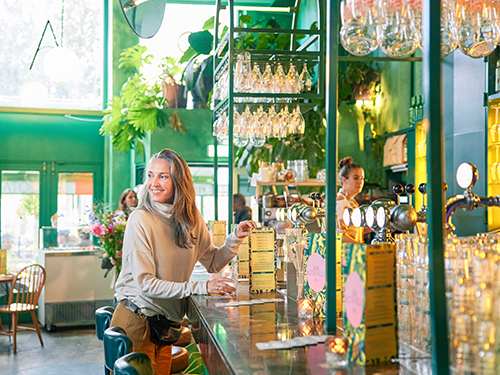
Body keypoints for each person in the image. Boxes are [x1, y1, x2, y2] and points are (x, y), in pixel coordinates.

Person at [110, 148, 256, 374]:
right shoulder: (141, 219)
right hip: (136, 321)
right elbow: (145, 284)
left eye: (163, 176)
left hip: (165, 326)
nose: (153, 183)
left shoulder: (191, 218)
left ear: (179, 181)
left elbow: (214, 262)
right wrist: (201, 287)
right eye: (150, 175)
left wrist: (235, 238)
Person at [336, 156, 367, 243]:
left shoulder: (351, 202)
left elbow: (354, 231)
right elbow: (339, 236)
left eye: (362, 178)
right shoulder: (341, 202)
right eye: (356, 178)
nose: (360, 182)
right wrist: (363, 247)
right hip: (344, 254)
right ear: (344, 180)